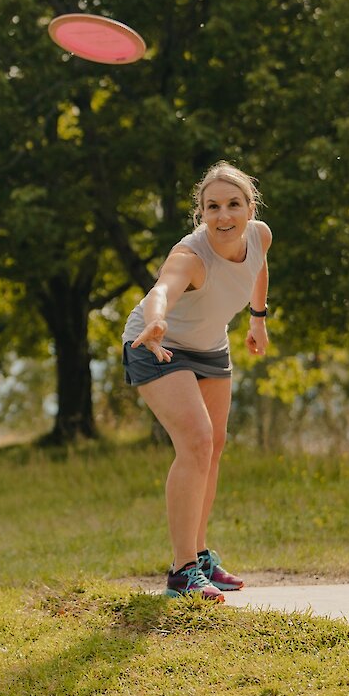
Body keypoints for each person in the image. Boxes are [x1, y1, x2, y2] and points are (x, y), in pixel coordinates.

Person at [121, 161, 271, 601]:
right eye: (212, 207)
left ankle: (201, 556)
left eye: (232, 205)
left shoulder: (259, 235)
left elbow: (258, 269)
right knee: (197, 442)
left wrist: (257, 319)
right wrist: (157, 322)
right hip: (156, 343)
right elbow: (162, 291)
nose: (223, 216)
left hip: (210, 346)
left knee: (215, 444)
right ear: (200, 213)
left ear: (249, 207)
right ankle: (182, 570)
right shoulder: (190, 254)